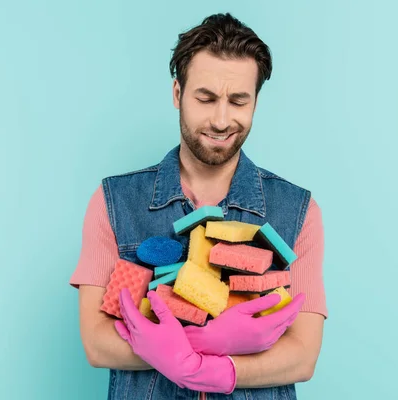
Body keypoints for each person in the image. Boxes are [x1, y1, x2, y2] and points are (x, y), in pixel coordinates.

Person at [69, 12, 328, 400]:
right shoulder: (113, 202)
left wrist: (207, 368)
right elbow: (96, 341)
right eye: (205, 98)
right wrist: (203, 341)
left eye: (238, 101)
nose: (221, 120)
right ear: (178, 94)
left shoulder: (299, 211)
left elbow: (302, 356)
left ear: (255, 101)